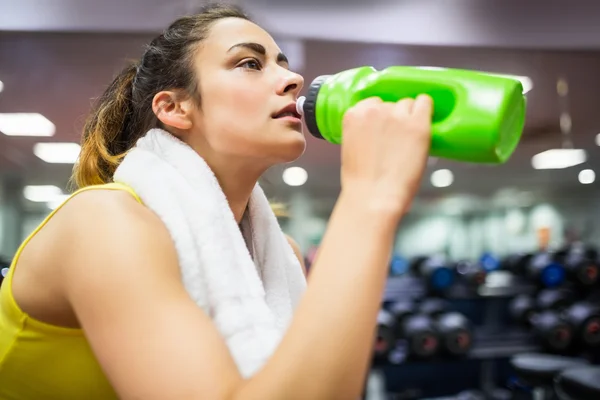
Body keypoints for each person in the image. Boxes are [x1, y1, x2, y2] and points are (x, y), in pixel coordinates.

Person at [0, 3, 433, 400]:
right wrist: (369, 199)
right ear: (175, 108)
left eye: (283, 64)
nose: (293, 79)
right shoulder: (104, 222)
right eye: (249, 63)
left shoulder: (281, 255)